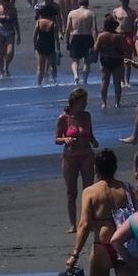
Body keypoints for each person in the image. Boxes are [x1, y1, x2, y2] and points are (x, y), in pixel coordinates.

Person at [55, 88, 98, 233]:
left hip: (86, 153)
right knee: (71, 192)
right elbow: (56, 139)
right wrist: (65, 139)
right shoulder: (63, 118)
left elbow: (90, 134)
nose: (86, 104)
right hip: (70, 156)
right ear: (75, 102)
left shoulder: (87, 116)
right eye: (83, 101)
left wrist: (94, 140)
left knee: (89, 189)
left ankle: (88, 221)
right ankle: (73, 224)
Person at [64, 0, 98, 85]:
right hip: (87, 36)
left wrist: (67, 41)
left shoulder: (72, 13)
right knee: (87, 61)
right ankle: (85, 80)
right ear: (87, 3)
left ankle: (76, 76)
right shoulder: (91, 13)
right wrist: (95, 42)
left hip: (76, 36)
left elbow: (67, 28)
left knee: (75, 60)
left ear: (78, 4)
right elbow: (94, 29)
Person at [34, 4, 59, 86]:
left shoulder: (38, 23)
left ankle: (39, 84)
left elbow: (34, 36)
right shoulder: (53, 24)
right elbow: (56, 39)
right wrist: (58, 50)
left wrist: (35, 47)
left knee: (40, 67)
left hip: (40, 45)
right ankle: (55, 82)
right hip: (50, 46)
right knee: (53, 66)